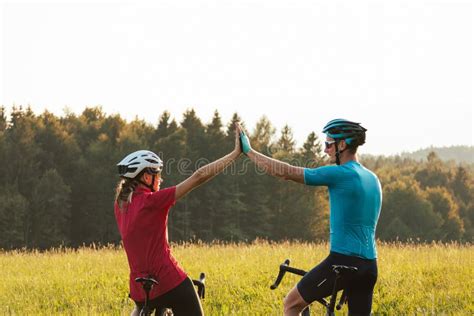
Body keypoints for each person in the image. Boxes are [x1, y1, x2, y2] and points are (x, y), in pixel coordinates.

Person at [238, 119, 382, 316]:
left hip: (342, 262)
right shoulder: (373, 179)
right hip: (369, 266)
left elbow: (287, 172)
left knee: (292, 304)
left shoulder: (339, 174)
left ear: (342, 145)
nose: (325, 150)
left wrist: (250, 152)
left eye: (328, 144)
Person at [114, 124, 242, 316]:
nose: (160, 179)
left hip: (139, 290)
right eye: (157, 174)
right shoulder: (152, 201)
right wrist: (235, 154)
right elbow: (199, 176)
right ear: (146, 176)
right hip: (167, 280)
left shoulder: (120, 205)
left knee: (143, 307)